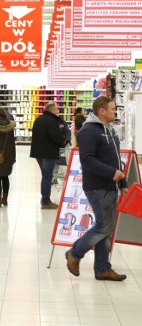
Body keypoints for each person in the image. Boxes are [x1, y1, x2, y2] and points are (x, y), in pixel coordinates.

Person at [65, 96, 128, 281]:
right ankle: (75, 253)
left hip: (110, 185)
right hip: (97, 186)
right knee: (104, 226)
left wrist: (122, 182)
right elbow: (87, 159)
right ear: (102, 111)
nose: (115, 112)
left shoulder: (109, 130)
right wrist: (111, 173)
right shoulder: (89, 131)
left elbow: (116, 158)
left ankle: (102, 268)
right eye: (112, 109)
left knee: (106, 228)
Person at [30, 102, 67, 209]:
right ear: (52, 111)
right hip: (48, 153)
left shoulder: (38, 120)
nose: (58, 112)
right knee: (47, 177)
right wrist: (63, 142)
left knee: (45, 176)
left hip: (38, 153)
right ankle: (46, 202)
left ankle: (44, 199)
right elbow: (56, 137)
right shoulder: (51, 121)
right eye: (56, 110)